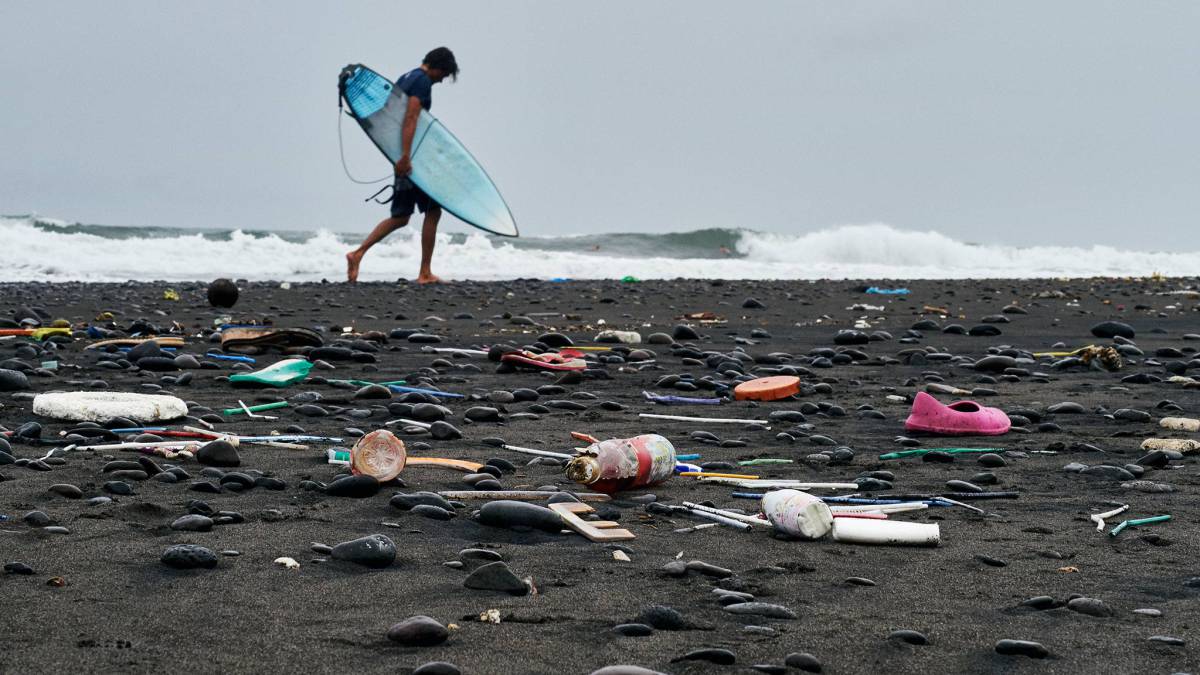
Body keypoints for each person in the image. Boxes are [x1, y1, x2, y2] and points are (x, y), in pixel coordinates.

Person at [346, 47, 459, 283]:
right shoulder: (421, 82)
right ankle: (425, 272)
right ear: (438, 66)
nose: (442, 80)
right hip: (411, 160)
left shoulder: (407, 78)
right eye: (444, 74)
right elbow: (410, 118)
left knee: (401, 217)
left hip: (400, 154)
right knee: (432, 211)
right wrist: (406, 157)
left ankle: (357, 253)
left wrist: (399, 154)